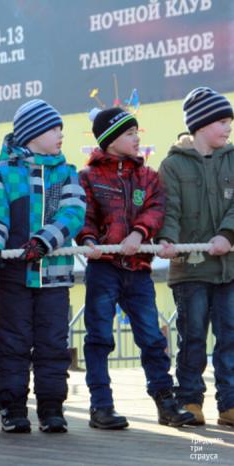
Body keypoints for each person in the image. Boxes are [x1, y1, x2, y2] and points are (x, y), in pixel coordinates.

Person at [77, 107, 195, 429]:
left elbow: (156, 209)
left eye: (137, 132)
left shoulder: (148, 176)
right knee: (99, 338)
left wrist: (138, 233)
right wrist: (89, 239)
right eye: (130, 133)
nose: (136, 138)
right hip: (103, 267)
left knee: (152, 338)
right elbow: (84, 216)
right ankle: (101, 406)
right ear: (111, 139)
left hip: (138, 268)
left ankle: (165, 403)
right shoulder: (87, 177)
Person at [0, 99, 86, 433]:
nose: (60, 135)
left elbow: (73, 214)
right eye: (54, 128)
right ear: (32, 133)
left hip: (54, 276)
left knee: (53, 343)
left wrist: (43, 241)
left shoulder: (67, 172)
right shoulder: (1, 172)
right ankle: (12, 408)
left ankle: (52, 407)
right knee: (12, 342)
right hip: (12, 276)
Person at [156, 87, 234, 427]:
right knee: (193, 337)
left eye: (230, 121)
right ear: (201, 124)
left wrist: (227, 235)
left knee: (231, 336)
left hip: (229, 268)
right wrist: (167, 239)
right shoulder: (172, 165)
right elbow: (169, 209)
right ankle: (189, 399)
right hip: (190, 269)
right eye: (222, 121)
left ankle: (230, 404)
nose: (228, 127)